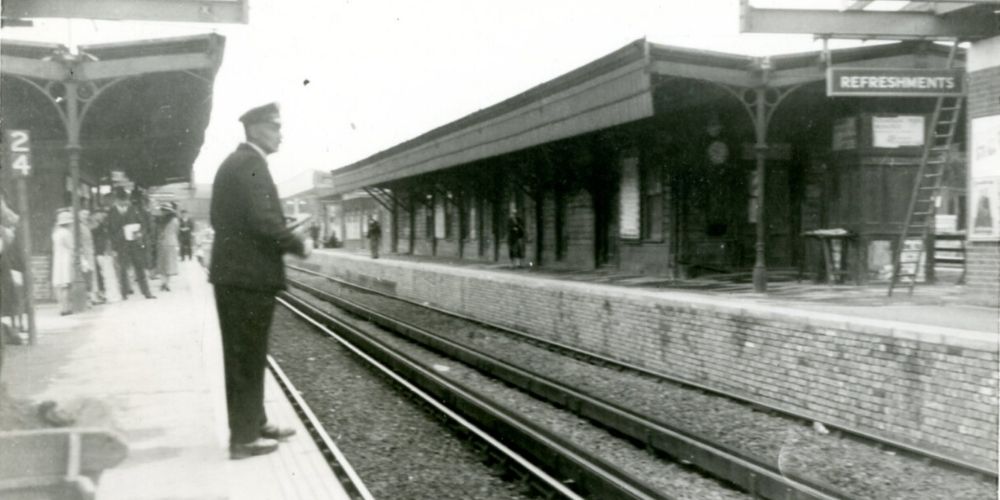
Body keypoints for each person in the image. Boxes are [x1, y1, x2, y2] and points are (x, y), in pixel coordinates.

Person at [209, 102, 310, 459]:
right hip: (246, 279)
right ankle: (243, 439)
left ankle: (255, 422)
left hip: (239, 277)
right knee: (245, 357)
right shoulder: (250, 164)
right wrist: (297, 243)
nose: (280, 133)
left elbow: (235, 219)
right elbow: (262, 219)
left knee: (249, 354)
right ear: (254, 130)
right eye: (274, 126)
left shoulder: (239, 164)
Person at [106, 188, 155, 300]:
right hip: (121, 244)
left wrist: (139, 234)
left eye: (125, 201)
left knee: (140, 268)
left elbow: (142, 224)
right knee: (123, 269)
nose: (124, 204)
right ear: (116, 200)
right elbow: (109, 230)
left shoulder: (134, 209)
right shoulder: (111, 211)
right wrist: (114, 243)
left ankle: (146, 292)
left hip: (134, 243)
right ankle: (124, 293)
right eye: (121, 201)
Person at [51, 210, 74, 315]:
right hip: (66, 259)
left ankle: (61, 307)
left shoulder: (55, 233)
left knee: (59, 284)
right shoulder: (67, 233)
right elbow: (71, 246)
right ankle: (66, 308)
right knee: (66, 284)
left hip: (57, 259)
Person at [156, 203, 180, 292]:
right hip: (171, 243)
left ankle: (164, 283)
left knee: (163, 264)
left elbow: (159, 232)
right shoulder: (175, 220)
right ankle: (166, 283)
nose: (162, 212)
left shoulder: (161, 221)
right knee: (169, 264)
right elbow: (177, 232)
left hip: (163, 243)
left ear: (167, 211)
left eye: (163, 210)